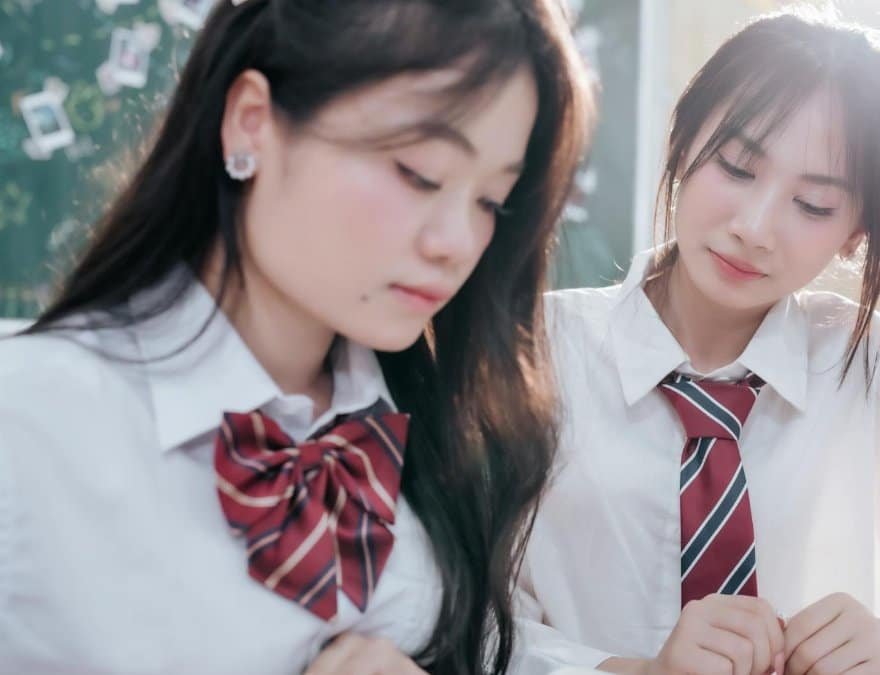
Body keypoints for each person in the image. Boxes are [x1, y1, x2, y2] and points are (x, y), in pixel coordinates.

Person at [0, 1, 592, 673]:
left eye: (491, 202)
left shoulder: (425, 428)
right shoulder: (30, 424)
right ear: (251, 121)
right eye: (418, 172)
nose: (457, 242)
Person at [516, 9, 880, 675]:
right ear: (683, 141)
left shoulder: (865, 362)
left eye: (813, 206)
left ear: (856, 234)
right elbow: (465, 619)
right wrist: (635, 672)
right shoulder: (539, 350)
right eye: (736, 167)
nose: (754, 228)